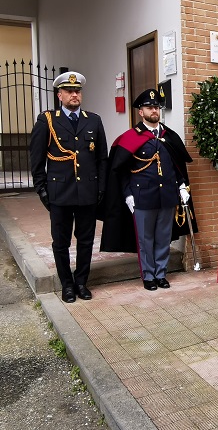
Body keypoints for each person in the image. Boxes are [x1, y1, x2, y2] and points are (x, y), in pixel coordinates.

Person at [100, 89, 197, 290]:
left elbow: (177, 165)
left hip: (167, 196)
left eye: (157, 107)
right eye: (149, 107)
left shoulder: (168, 136)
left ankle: (161, 274)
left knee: (163, 238)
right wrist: (127, 194)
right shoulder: (129, 138)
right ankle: (148, 276)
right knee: (145, 239)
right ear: (140, 112)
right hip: (142, 197)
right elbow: (121, 171)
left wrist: (181, 186)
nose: (154, 110)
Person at [29, 71, 108, 303]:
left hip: (87, 193)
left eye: (78, 91)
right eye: (70, 91)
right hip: (59, 192)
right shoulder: (47, 120)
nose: (74, 94)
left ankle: (81, 281)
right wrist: (42, 190)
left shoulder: (93, 120)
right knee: (61, 242)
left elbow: (101, 158)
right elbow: (36, 159)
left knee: (85, 240)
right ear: (60, 95)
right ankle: (67, 285)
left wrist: (101, 187)